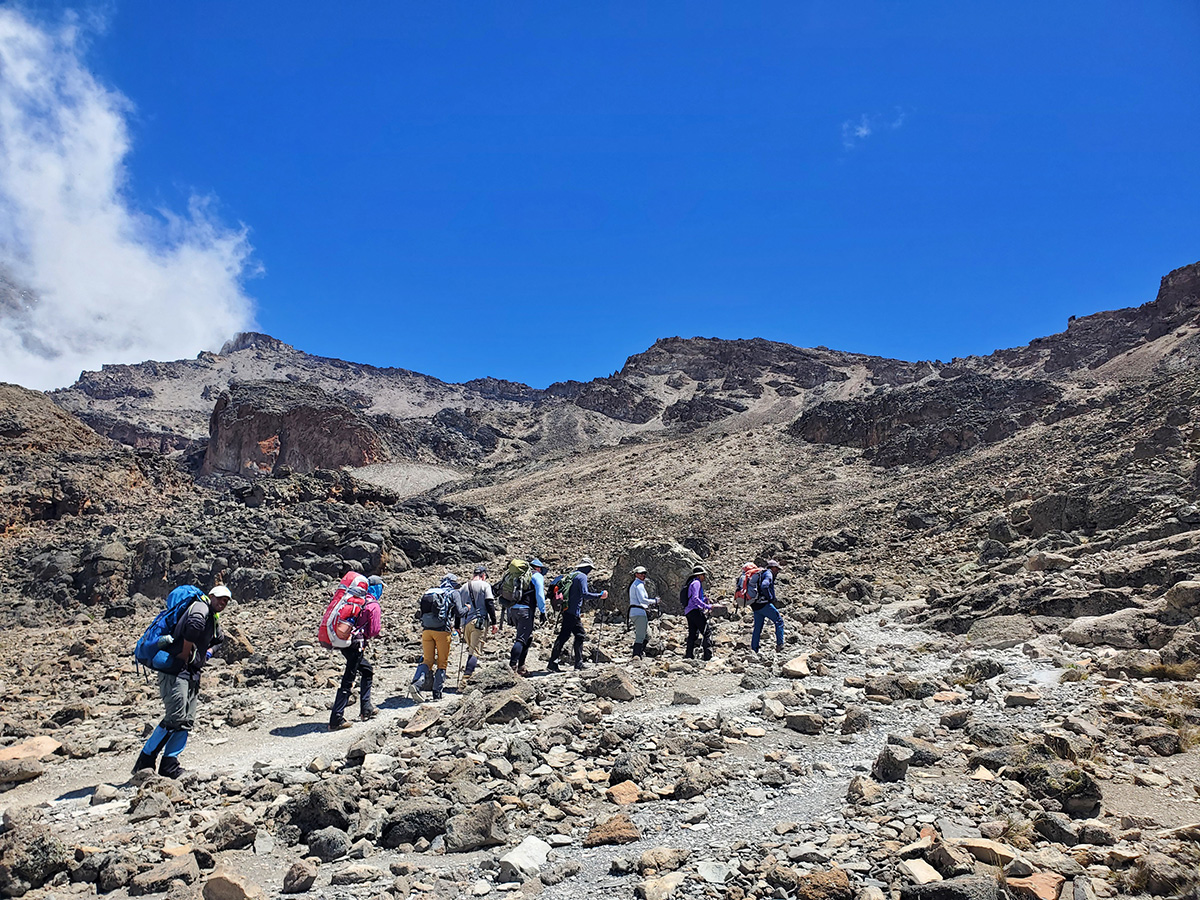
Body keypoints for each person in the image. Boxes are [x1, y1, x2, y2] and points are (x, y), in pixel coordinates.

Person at [133, 584, 230, 778]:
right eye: (220, 598)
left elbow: (219, 639)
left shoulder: (212, 616)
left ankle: (169, 765)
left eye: (226, 600)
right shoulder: (201, 607)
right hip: (176, 670)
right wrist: (185, 652)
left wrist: (207, 655)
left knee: (185, 720)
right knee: (175, 718)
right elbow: (193, 627)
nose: (223, 602)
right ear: (210, 595)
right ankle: (145, 761)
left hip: (191, 671)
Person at [329, 575, 383, 730]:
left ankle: (366, 708)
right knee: (349, 677)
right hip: (357, 645)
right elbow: (374, 631)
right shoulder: (373, 605)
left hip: (345, 642)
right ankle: (336, 718)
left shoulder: (356, 600)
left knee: (367, 670)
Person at [547, 557, 607, 672]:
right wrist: (599, 595)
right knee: (577, 635)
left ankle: (556, 662)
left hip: (566, 610)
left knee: (569, 635)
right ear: (587, 568)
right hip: (573, 612)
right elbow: (584, 594)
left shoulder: (572, 575)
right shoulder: (582, 577)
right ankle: (574, 664)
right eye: (590, 568)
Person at [413, 574, 459, 701]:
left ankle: (417, 684)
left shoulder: (433, 592)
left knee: (427, 660)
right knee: (442, 662)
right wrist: (467, 608)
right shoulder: (453, 593)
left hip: (427, 630)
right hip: (442, 631)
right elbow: (459, 612)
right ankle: (437, 692)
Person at [458, 565, 498, 679]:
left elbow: (458, 608)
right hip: (479, 622)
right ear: (483, 575)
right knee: (474, 652)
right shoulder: (485, 585)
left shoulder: (463, 587)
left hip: (465, 623)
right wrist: (494, 622)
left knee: (470, 649)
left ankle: (468, 675)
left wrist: (457, 625)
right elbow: (490, 604)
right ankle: (466, 680)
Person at [509, 559, 547, 675]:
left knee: (527, 637)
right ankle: (512, 667)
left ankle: (521, 667)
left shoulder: (518, 576)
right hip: (525, 610)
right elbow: (540, 593)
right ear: (538, 568)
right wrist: (543, 611)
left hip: (512, 610)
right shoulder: (536, 576)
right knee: (521, 638)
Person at [751, 559, 785, 654]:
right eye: (777, 569)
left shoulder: (760, 574)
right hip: (764, 604)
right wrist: (770, 597)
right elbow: (764, 586)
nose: (777, 571)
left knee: (758, 627)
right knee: (779, 621)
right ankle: (780, 645)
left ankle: (754, 649)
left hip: (755, 605)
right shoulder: (768, 574)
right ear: (772, 567)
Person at [683, 565, 713, 661]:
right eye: (703, 575)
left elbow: (693, 598)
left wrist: (704, 600)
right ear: (699, 575)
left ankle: (689, 655)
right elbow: (695, 598)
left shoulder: (691, 583)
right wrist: (707, 606)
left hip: (689, 611)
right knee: (706, 632)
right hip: (695, 610)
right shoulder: (696, 583)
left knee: (692, 634)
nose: (704, 577)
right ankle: (707, 656)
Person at [628, 566, 658, 658]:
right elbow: (643, 600)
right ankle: (636, 655)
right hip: (639, 612)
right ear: (636, 574)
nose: (643, 575)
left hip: (636, 612)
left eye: (644, 573)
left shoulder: (636, 584)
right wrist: (655, 601)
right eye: (641, 573)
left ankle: (640, 653)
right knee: (641, 636)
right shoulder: (639, 585)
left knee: (647, 634)